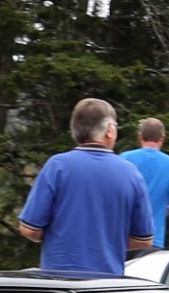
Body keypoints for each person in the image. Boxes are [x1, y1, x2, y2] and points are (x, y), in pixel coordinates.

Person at [17, 97, 152, 277]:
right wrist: (107, 241)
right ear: (109, 131)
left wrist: (63, 236)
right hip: (107, 284)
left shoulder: (57, 166)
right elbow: (144, 239)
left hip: (58, 283)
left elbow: (29, 229)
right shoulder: (131, 173)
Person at [116, 118, 169, 248]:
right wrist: (164, 211)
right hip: (153, 238)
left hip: (123, 237)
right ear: (162, 138)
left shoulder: (125, 158)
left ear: (140, 136)